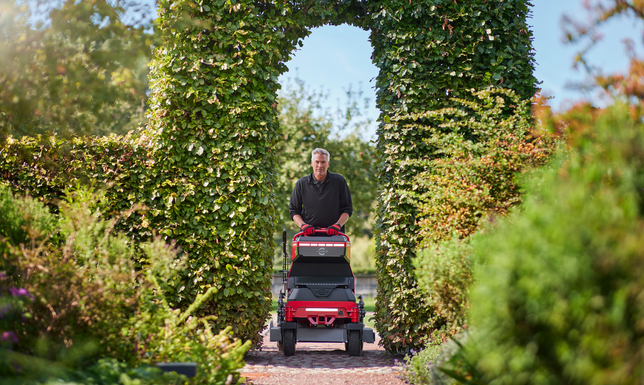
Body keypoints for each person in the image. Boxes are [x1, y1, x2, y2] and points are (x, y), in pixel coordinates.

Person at [289, 148, 353, 236]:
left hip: (335, 235)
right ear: (312, 163)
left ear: (328, 164)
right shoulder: (301, 183)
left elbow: (347, 208)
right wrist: (303, 226)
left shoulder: (339, 181)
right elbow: (293, 210)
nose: (320, 165)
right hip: (308, 236)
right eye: (317, 162)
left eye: (323, 162)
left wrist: (337, 226)